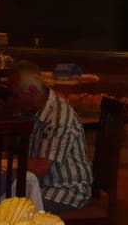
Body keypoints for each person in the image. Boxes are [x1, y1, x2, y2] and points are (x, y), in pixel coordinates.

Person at [7, 61, 93, 212]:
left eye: (15, 95)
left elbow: (41, 167)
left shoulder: (58, 117)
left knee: (8, 209)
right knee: (0, 200)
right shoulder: (33, 111)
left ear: (32, 91)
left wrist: (4, 160)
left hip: (65, 192)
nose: (11, 101)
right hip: (41, 185)